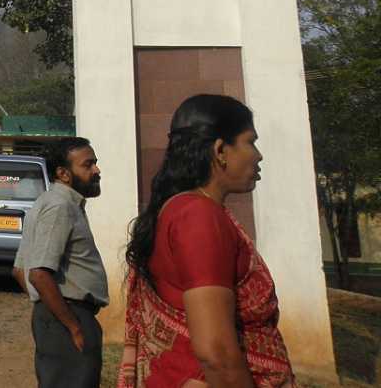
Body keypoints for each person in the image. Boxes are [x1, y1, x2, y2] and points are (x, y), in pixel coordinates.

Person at [119, 95, 295, 388]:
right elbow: (217, 352)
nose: (258, 155)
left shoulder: (180, 209)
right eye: (250, 141)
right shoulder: (199, 216)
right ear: (220, 150)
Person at [12, 137, 107, 388]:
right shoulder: (59, 207)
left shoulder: (48, 203)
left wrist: (45, 309)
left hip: (57, 315)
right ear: (63, 173)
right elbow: (38, 275)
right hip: (68, 315)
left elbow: (19, 270)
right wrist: (71, 325)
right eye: (88, 165)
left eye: (95, 163)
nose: (96, 170)